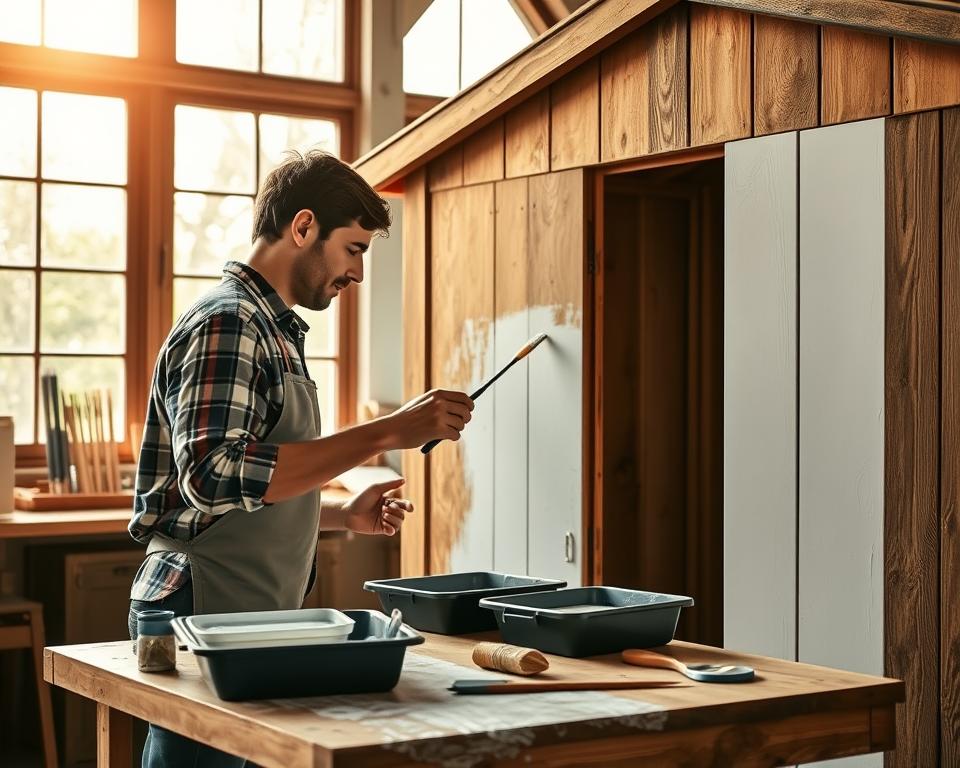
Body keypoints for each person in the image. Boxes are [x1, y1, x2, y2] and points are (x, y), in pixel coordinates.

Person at [127, 150, 473, 767]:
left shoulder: (275, 331)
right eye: (355, 250)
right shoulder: (230, 323)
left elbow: (246, 494)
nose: (358, 275)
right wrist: (386, 431)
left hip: (245, 611)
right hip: (202, 604)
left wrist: (339, 517)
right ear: (304, 227)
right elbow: (211, 475)